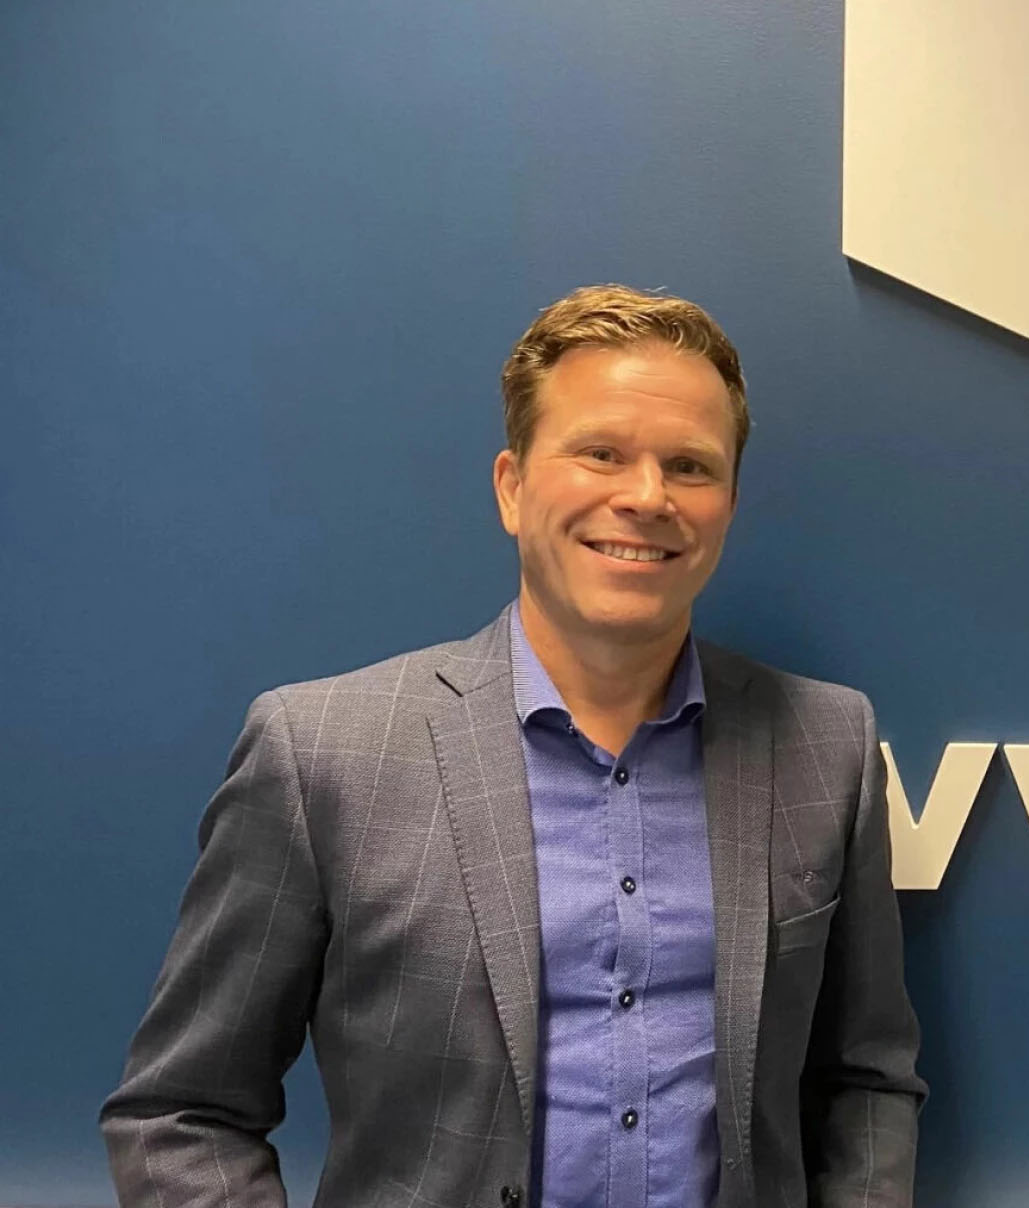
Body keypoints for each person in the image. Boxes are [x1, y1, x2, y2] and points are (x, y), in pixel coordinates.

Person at [100, 284, 925, 1208]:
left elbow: (868, 1082)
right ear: (512, 487)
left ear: (729, 502)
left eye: (690, 466)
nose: (646, 496)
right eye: (601, 453)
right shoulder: (322, 753)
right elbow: (182, 1115)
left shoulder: (825, 744)